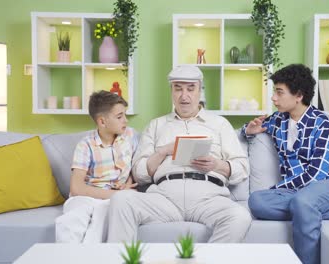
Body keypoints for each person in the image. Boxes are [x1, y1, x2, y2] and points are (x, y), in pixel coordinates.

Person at [242, 64, 329, 264]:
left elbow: (317, 175)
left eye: (279, 92)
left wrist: (278, 189)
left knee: (302, 202)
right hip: (300, 192)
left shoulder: (323, 123)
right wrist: (249, 130)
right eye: (275, 92)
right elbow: (246, 129)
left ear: (298, 95)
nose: (273, 98)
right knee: (257, 200)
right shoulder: (278, 121)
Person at [107, 65, 251, 243]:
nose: (184, 96)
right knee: (122, 200)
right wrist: (163, 151)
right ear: (172, 92)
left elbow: (242, 168)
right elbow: (139, 173)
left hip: (208, 197)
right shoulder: (156, 125)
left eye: (191, 89)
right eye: (178, 89)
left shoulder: (220, 124)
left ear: (200, 91)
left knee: (240, 216)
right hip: (164, 198)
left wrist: (217, 165)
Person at [55, 90, 138, 243]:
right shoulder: (86, 146)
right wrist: (115, 194)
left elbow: (135, 164)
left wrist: (128, 183)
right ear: (102, 122)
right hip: (85, 198)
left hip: (111, 202)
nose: (125, 120)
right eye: (119, 117)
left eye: (124, 115)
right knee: (70, 222)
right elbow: (77, 188)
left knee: (98, 228)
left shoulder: (130, 136)